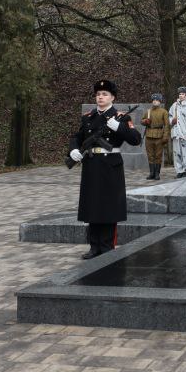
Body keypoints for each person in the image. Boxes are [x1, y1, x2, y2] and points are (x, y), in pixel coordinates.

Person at [69, 79, 141, 258]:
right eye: (98, 94)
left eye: (105, 94)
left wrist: (119, 127)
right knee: (92, 204)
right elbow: (77, 137)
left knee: (108, 206)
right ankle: (94, 246)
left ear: (112, 97)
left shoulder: (121, 117)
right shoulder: (88, 117)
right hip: (92, 164)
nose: (100, 97)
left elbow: (135, 139)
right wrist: (73, 150)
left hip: (110, 165)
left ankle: (107, 246)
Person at [140, 93, 170, 180]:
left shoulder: (164, 112)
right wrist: (146, 121)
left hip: (159, 135)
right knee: (150, 155)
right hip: (149, 135)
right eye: (153, 100)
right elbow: (142, 121)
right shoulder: (148, 111)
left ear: (160, 102)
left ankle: (157, 173)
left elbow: (167, 125)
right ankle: (151, 173)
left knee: (158, 155)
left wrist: (165, 136)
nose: (155, 101)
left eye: (157, 100)